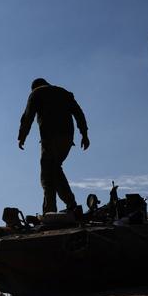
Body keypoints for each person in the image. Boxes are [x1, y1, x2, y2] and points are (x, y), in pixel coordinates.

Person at [18, 78, 90, 214]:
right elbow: (79, 113)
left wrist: (22, 136)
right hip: (67, 139)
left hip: (50, 138)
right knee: (53, 169)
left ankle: (54, 210)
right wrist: (84, 134)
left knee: (47, 173)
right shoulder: (63, 93)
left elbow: (28, 116)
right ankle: (69, 205)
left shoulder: (36, 93)